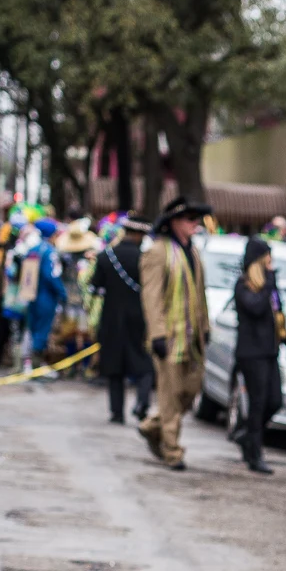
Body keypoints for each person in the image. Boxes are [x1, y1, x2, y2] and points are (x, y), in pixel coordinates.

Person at [138, 196, 212, 470]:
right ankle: (172, 451)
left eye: (197, 219)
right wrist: (157, 334)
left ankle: (151, 425)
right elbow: (151, 296)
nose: (196, 224)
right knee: (169, 396)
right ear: (174, 222)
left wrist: (206, 327)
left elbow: (200, 293)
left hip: (192, 338)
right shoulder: (158, 252)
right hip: (169, 337)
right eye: (190, 219)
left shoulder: (194, 252)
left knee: (190, 391)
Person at [229, 235, 286, 474]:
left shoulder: (269, 287)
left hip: (269, 351)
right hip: (251, 353)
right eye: (267, 259)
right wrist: (268, 285)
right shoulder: (243, 285)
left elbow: (278, 315)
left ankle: (246, 434)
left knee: (275, 401)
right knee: (257, 403)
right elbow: (255, 308)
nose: (271, 264)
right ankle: (255, 454)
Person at [92, 216, 153, 423]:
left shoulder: (105, 256)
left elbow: (95, 287)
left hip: (111, 319)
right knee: (143, 363)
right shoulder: (144, 259)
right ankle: (142, 402)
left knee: (114, 365)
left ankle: (117, 412)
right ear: (139, 235)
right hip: (139, 319)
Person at [23, 217, 69, 366]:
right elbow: (52, 276)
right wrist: (62, 293)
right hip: (46, 296)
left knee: (33, 328)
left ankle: (29, 363)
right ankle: (37, 365)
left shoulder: (32, 250)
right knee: (43, 329)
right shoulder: (50, 252)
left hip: (31, 295)